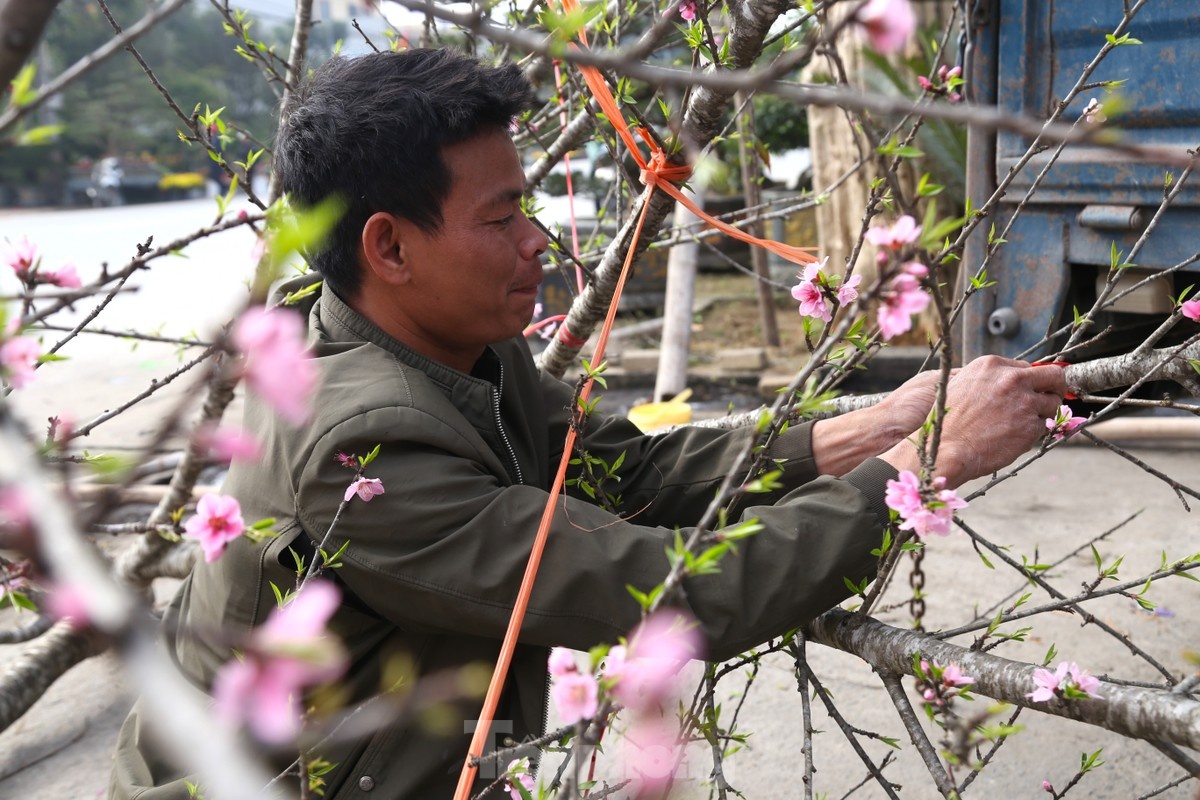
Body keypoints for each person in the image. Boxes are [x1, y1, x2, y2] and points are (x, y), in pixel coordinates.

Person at [110, 48, 1067, 799]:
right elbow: (666, 595)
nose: (539, 241)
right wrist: (924, 463)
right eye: (503, 216)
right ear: (389, 246)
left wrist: (870, 428)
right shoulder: (360, 448)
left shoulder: (459, 349)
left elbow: (630, 475)